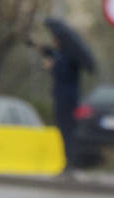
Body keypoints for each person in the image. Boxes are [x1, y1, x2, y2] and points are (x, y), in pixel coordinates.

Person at [40, 37, 83, 174]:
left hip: (67, 101)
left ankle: (70, 164)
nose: (54, 43)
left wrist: (52, 67)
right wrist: (37, 45)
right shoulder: (61, 55)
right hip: (62, 99)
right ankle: (68, 163)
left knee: (68, 132)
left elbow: (64, 74)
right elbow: (50, 52)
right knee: (64, 132)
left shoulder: (70, 58)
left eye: (56, 40)